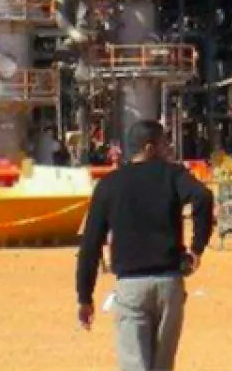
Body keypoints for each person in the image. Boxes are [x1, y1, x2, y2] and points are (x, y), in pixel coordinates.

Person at [76, 120, 215, 371]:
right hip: (169, 282)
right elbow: (203, 197)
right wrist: (197, 248)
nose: (169, 150)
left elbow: (91, 243)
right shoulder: (172, 174)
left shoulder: (110, 184)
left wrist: (84, 296)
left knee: (134, 365)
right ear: (150, 147)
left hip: (131, 285)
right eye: (165, 144)